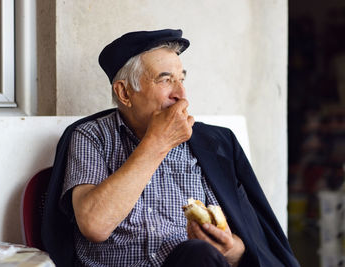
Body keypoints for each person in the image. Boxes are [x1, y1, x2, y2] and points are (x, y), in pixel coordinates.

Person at [41, 29, 300, 267]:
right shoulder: (91, 136)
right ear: (124, 93)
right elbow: (94, 225)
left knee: (200, 254)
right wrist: (157, 142)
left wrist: (230, 249)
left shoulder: (214, 144)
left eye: (181, 79)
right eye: (165, 80)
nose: (181, 94)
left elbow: (252, 245)